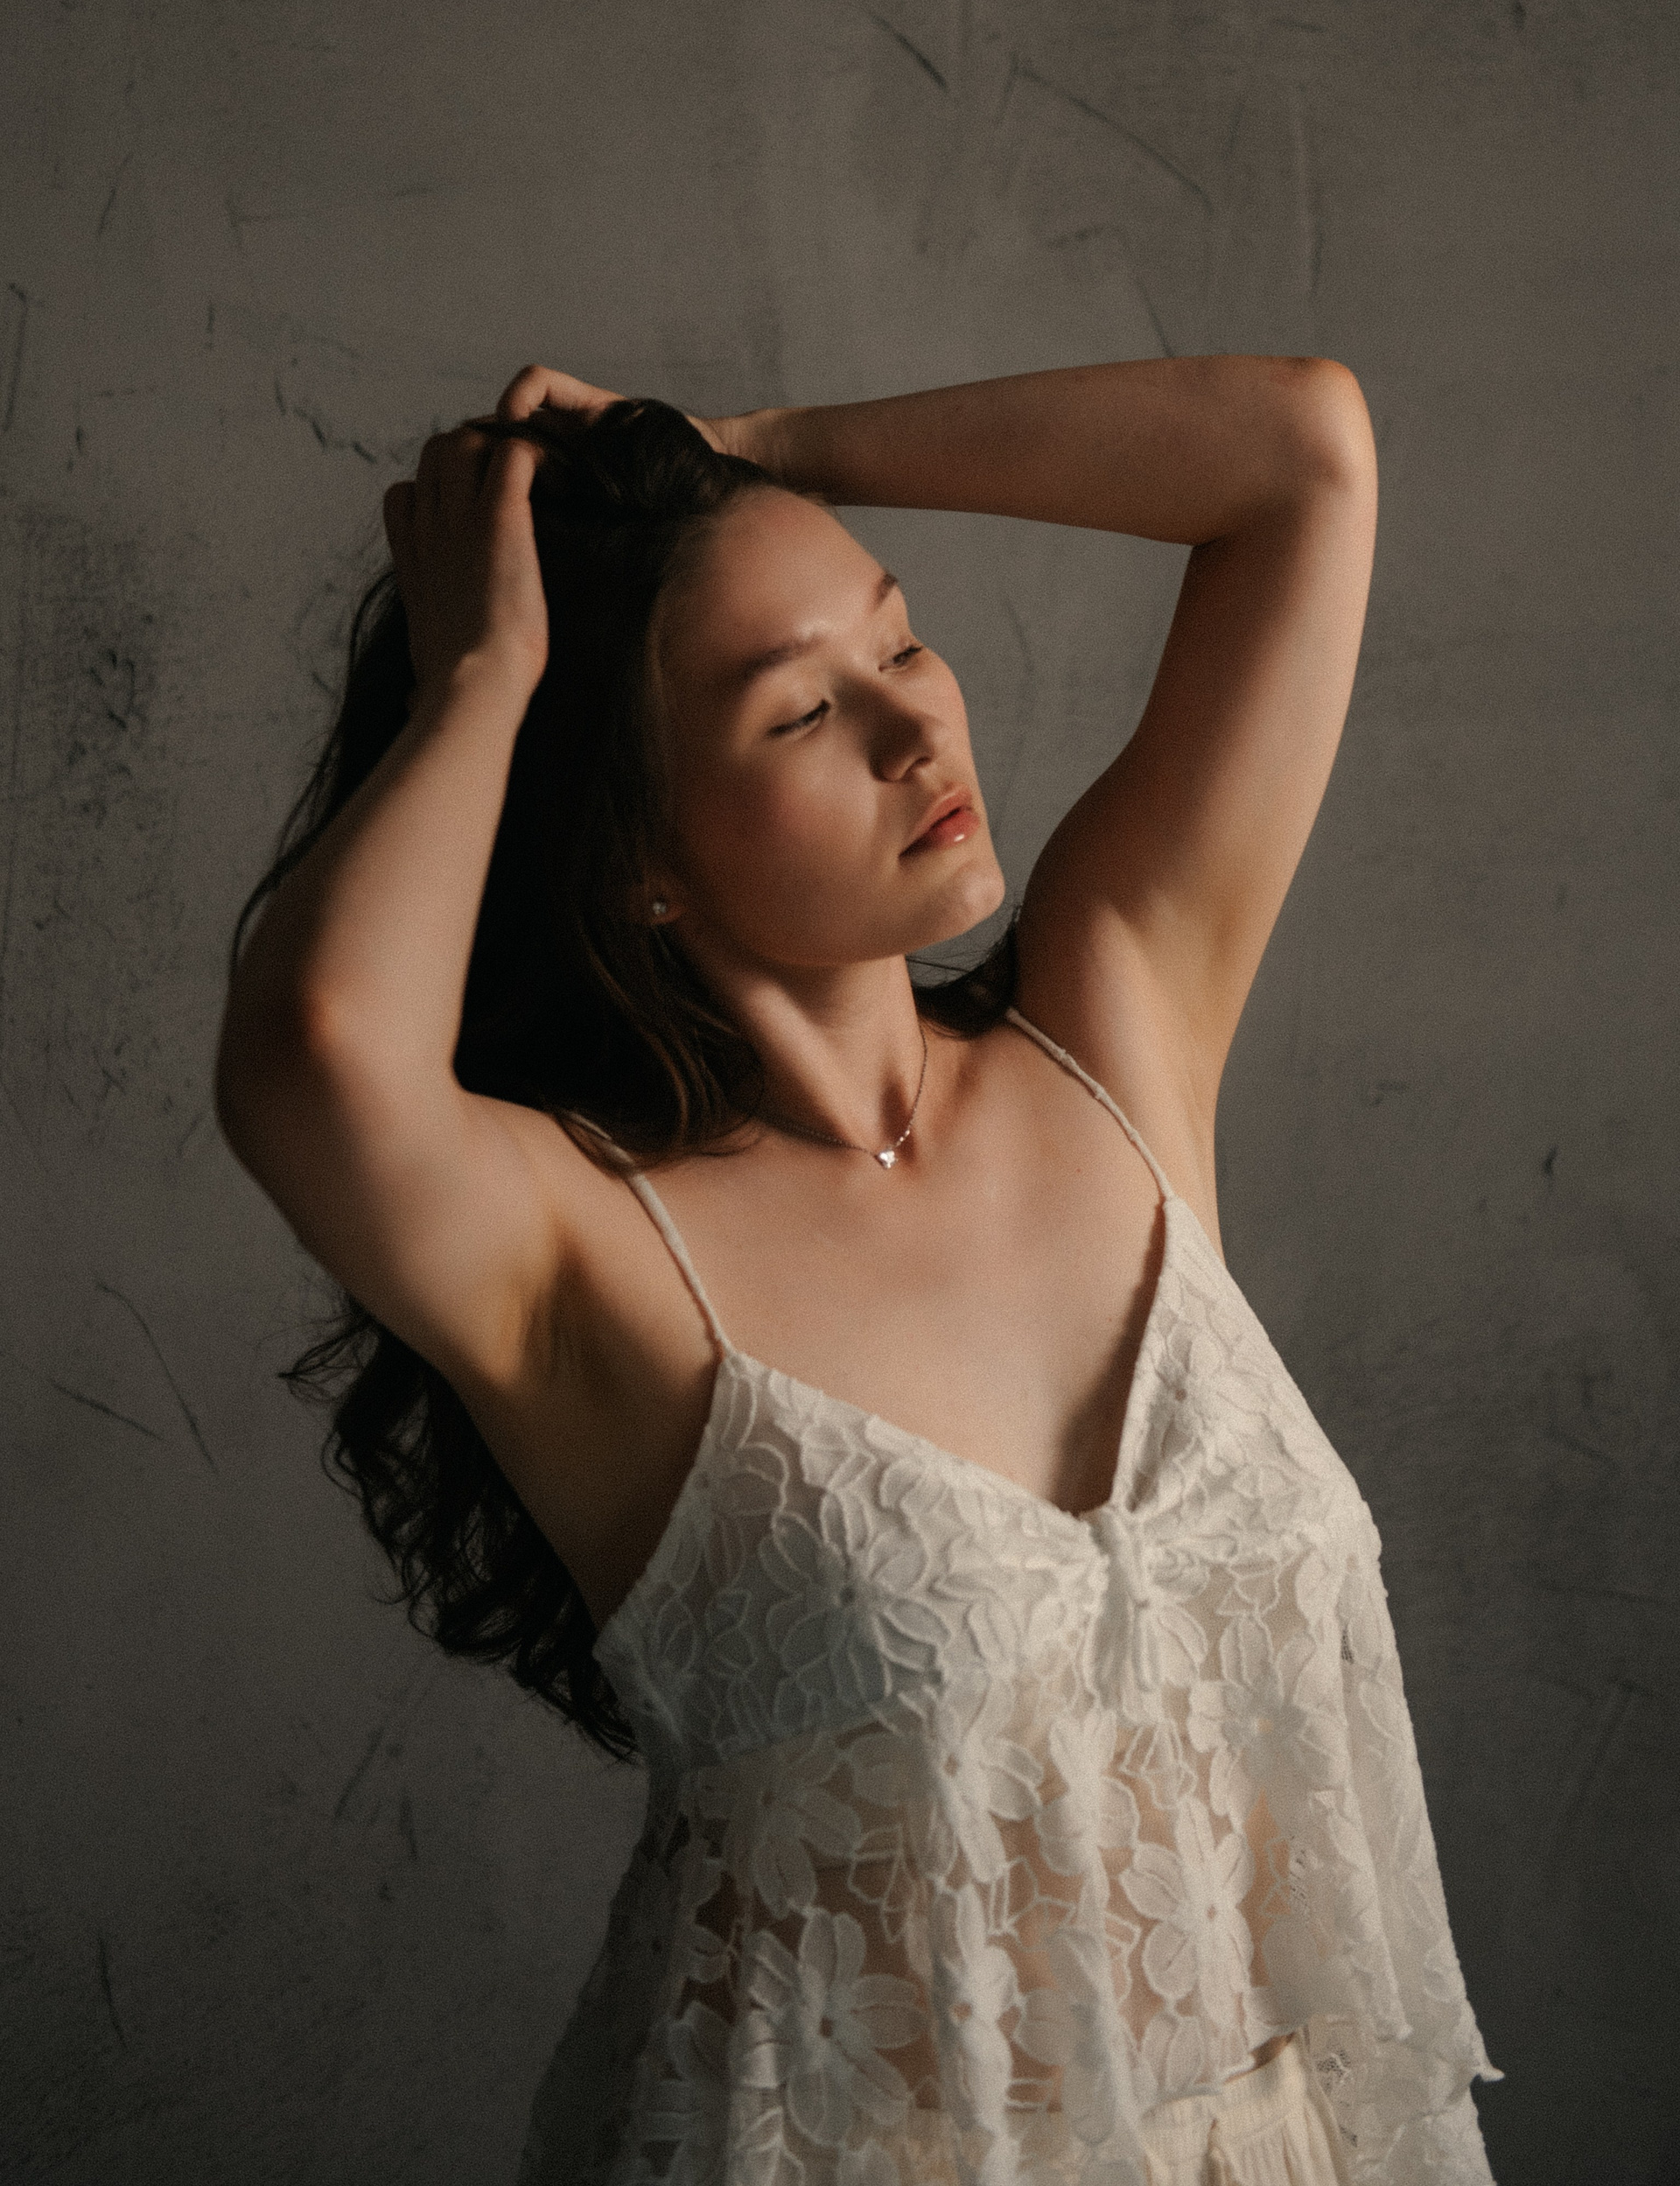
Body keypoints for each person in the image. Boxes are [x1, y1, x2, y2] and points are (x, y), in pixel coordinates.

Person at [215, 355, 1500, 2185]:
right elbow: (317, 1054)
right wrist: (485, 677)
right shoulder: (588, 1253)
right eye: (802, 710)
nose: (914, 729)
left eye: (900, 640)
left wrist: (751, 450)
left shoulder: (1117, 1029)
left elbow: (1302, 454)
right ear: (639, 858)